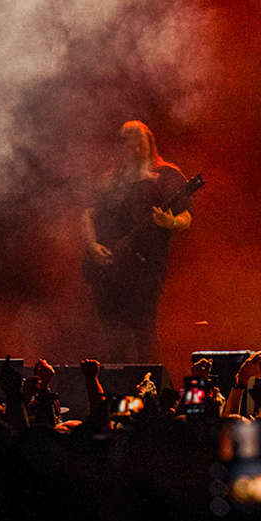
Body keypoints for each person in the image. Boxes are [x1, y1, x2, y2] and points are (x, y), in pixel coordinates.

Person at [82, 121, 193, 359]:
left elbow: (186, 216)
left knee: (144, 328)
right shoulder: (108, 181)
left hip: (145, 266)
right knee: (113, 333)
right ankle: (120, 390)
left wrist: (170, 222)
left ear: (148, 142)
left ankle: (150, 389)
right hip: (108, 266)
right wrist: (92, 245)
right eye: (125, 138)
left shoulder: (166, 176)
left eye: (136, 137)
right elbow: (88, 213)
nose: (130, 142)